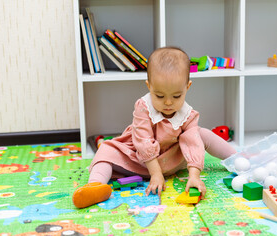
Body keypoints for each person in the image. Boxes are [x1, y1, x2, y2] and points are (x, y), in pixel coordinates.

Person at [72, 46, 236, 209]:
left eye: (176, 96)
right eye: (159, 96)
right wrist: (155, 174)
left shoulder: (188, 114)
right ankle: (95, 186)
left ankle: (239, 158)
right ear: (149, 86)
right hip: (139, 159)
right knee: (105, 150)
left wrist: (194, 176)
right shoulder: (143, 107)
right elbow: (143, 141)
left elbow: (192, 143)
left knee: (202, 134)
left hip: (172, 158)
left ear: (188, 87)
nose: (168, 102)